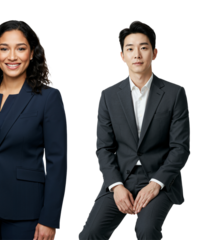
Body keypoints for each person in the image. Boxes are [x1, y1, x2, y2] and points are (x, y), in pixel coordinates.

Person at [78, 19, 191, 239]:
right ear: (122, 56)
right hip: (121, 178)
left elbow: (180, 148)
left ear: (155, 53)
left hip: (159, 178)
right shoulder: (108, 95)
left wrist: (156, 184)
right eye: (130, 49)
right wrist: (117, 186)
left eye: (144, 47)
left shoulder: (174, 93)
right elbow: (103, 148)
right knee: (89, 234)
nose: (137, 54)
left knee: (146, 230)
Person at [0, 18, 68, 240]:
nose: (12, 56)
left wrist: (49, 219)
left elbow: (57, 161)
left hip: (25, 208)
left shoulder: (48, 97)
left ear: (31, 53)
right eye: (4, 48)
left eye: (20, 48)